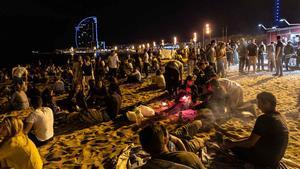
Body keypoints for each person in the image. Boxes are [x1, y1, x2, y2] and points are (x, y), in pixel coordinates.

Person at [224, 92, 289, 168]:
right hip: (275, 159)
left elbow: (250, 143)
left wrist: (232, 144)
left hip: (264, 161)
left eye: (259, 103)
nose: (258, 106)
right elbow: (256, 139)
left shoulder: (264, 118)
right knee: (238, 142)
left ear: (267, 103)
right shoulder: (281, 117)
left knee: (234, 147)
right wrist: (237, 140)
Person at [139, 123, 206, 169]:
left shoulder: (147, 167)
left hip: (178, 145)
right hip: (186, 147)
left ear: (144, 149)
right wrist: (178, 142)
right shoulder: (190, 157)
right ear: (165, 139)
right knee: (200, 139)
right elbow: (186, 155)